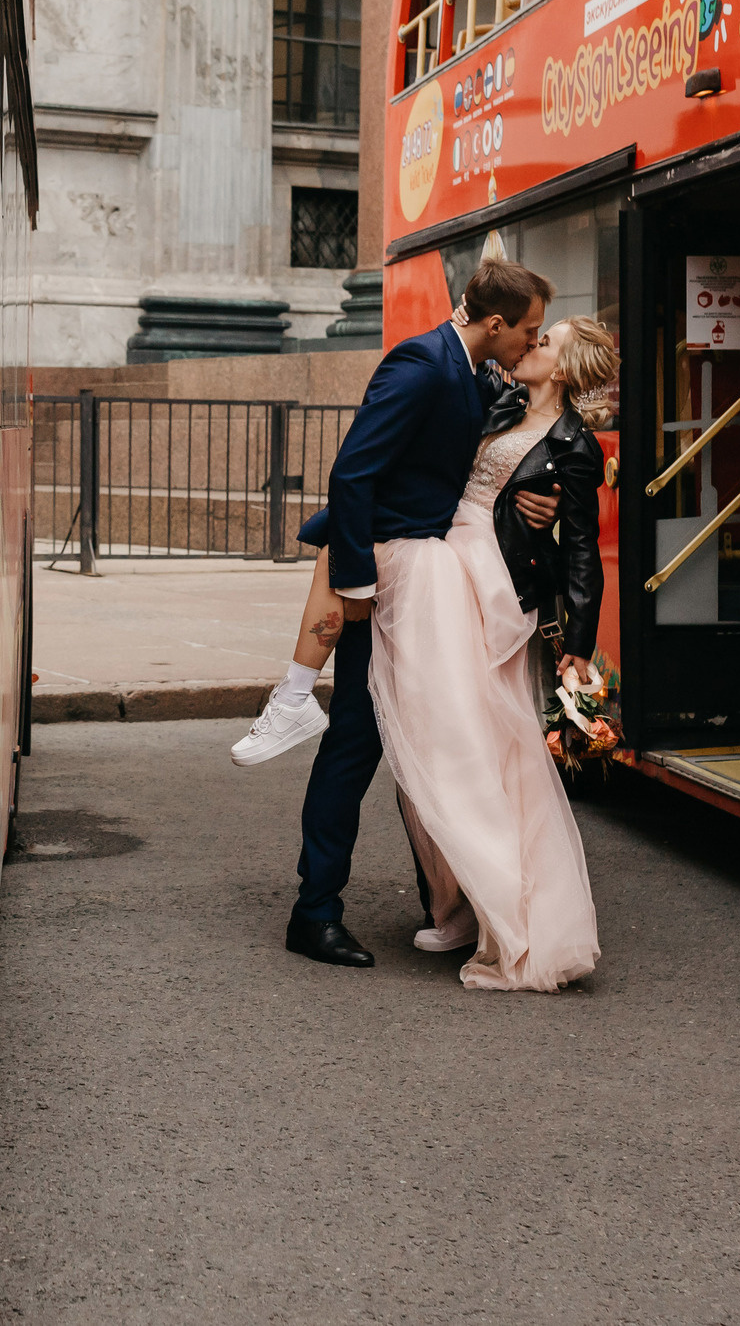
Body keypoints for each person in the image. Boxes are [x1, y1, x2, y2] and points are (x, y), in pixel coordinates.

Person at [275, 258, 559, 969]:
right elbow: (353, 473)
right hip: (391, 584)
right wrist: (359, 582)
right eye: (527, 329)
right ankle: (314, 911)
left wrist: (524, 496)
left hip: (431, 579)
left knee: (426, 737)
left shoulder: (473, 370)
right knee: (359, 742)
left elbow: (461, 466)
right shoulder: (423, 363)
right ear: (494, 324)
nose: (533, 339)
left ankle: (446, 904)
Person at [371, 314, 610, 990]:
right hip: (443, 571)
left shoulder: (574, 444)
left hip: (501, 594)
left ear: (561, 369)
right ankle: (451, 903)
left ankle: (501, 907)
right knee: (431, 735)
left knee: (492, 750)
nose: (530, 346)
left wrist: (580, 647)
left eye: (545, 342)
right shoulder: (495, 397)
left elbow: (584, 549)